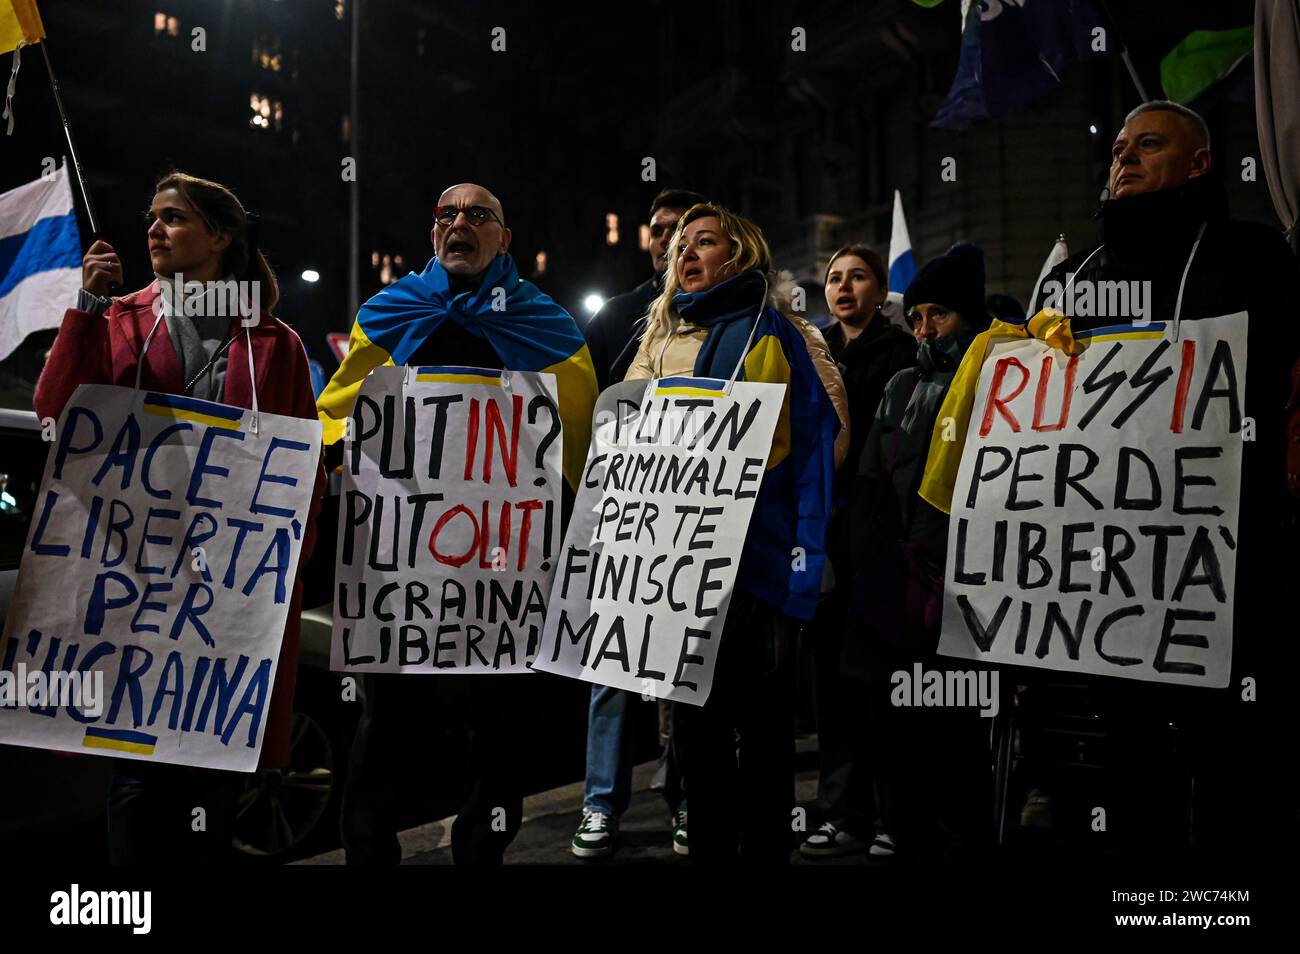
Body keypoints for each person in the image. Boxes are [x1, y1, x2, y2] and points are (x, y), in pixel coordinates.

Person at [930, 101, 1299, 859]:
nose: (1123, 158)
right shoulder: (1077, 277)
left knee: (1229, 756)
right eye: (1119, 146)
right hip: (1109, 583)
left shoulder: (1251, 258)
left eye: (1149, 144)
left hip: (1225, 568)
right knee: (1129, 759)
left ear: (1198, 164)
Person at [34, 170, 326, 864]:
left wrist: (285, 561)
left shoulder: (274, 342)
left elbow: (301, 465)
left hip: (226, 593)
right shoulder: (119, 317)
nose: (153, 230)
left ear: (219, 237)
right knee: (138, 780)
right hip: (140, 586)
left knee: (214, 780)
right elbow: (56, 410)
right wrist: (84, 305)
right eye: (152, 218)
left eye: (173, 218)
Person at [318, 182, 598, 865]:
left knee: (498, 729)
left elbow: (580, 432)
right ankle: (369, 853)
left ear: (504, 238)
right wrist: (330, 455)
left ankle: (482, 850)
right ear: (432, 233)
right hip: (398, 570)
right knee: (385, 726)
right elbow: (339, 411)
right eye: (447, 214)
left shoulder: (545, 324)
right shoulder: (389, 313)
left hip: (499, 571)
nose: (460, 223)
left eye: (480, 215)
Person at [624, 202, 846, 864]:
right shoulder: (660, 340)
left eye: (705, 242)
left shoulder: (776, 335)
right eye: (680, 246)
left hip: (757, 572)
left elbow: (811, 453)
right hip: (682, 576)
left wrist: (801, 567)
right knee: (697, 738)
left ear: (741, 256)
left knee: (766, 738)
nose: (686, 253)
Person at [848, 241, 994, 865]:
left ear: (969, 316)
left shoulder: (997, 378)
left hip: (968, 592)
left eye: (940, 314)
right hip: (901, 588)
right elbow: (871, 482)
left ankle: (969, 840)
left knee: (958, 735)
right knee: (898, 732)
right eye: (917, 316)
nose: (925, 328)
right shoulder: (902, 383)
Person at [571, 187, 704, 860]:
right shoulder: (616, 318)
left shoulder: (724, 316)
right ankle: (601, 804)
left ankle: (685, 800)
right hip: (625, 518)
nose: (666, 239)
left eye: (682, 229)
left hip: (696, 524)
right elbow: (589, 418)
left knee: (684, 673)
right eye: (657, 230)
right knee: (613, 671)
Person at [800, 245, 915, 858]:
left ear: (880, 291)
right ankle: (840, 811)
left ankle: (895, 813)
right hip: (821, 541)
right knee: (833, 686)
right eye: (834, 279)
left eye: (858, 277)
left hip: (878, 541)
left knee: (881, 685)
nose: (843, 288)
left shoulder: (900, 355)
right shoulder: (811, 351)